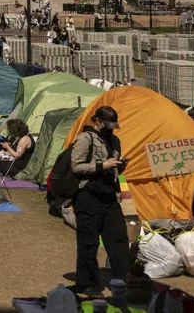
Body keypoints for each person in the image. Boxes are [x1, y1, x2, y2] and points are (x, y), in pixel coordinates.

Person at [69, 106, 129, 296]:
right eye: (108, 124)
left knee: (119, 239)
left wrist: (120, 166)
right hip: (89, 197)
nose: (111, 128)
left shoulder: (115, 140)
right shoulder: (85, 139)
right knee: (88, 242)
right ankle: (88, 284)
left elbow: (115, 170)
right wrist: (103, 165)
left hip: (110, 196)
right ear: (98, 121)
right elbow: (76, 167)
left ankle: (123, 281)